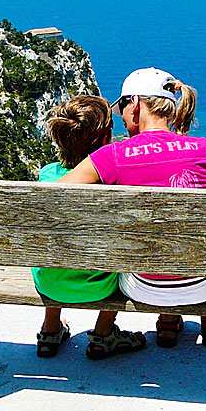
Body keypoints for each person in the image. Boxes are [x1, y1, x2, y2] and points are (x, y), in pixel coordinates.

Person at [59, 67, 206, 347]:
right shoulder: (204, 148)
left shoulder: (111, 156)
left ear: (135, 103)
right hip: (204, 284)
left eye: (121, 109)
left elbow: (55, 194)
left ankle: (168, 320)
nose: (121, 120)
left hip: (145, 286)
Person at [32, 95, 146, 359]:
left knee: (54, 252)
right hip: (100, 287)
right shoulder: (114, 183)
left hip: (49, 284)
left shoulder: (47, 176)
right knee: (125, 257)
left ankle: (50, 330)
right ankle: (103, 334)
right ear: (106, 139)